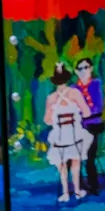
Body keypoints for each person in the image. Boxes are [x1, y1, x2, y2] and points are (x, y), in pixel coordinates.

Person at [42, 64, 92, 203]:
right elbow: (86, 113)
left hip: (59, 137)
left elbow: (47, 120)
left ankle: (65, 193)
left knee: (62, 165)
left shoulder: (51, 98)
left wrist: (56, 118)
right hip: (74, 134)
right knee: (76, 162)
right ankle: (77, 191)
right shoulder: (75, 93)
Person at [75, 55, 105, 196]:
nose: (83, 71)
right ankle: (79, 183)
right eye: (80, 68)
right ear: (76, 71)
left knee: (89, 154)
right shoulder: (73, 89)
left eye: (86, 67)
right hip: (78, 126)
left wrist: (83, 113)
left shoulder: (96, 84)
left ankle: (93, 184)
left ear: (91, 68)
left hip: (93, 125)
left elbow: (97, 106)